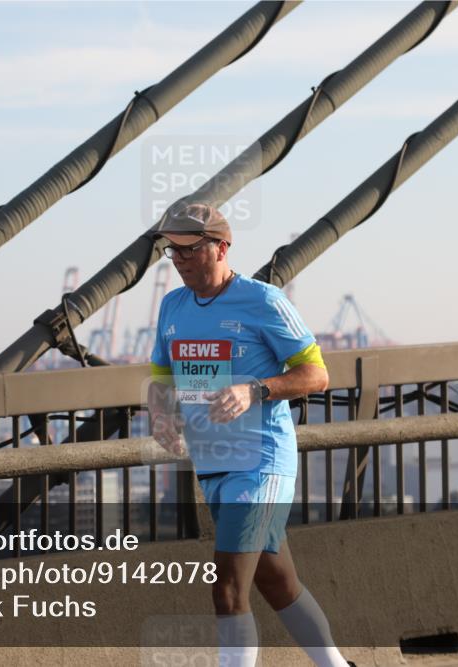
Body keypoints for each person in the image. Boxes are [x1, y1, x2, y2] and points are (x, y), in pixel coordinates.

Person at [148, 203, 353, 667]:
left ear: (222, 247)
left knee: (226, 588)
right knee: (277, 581)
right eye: (171, 251)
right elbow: (162, 374)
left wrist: (255, 389)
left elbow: (317, 375)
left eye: (190, 249)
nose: (179, 259)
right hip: (213, 462)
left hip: (260, 462)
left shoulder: (264, 301)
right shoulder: (172, 306)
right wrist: (161, 414)